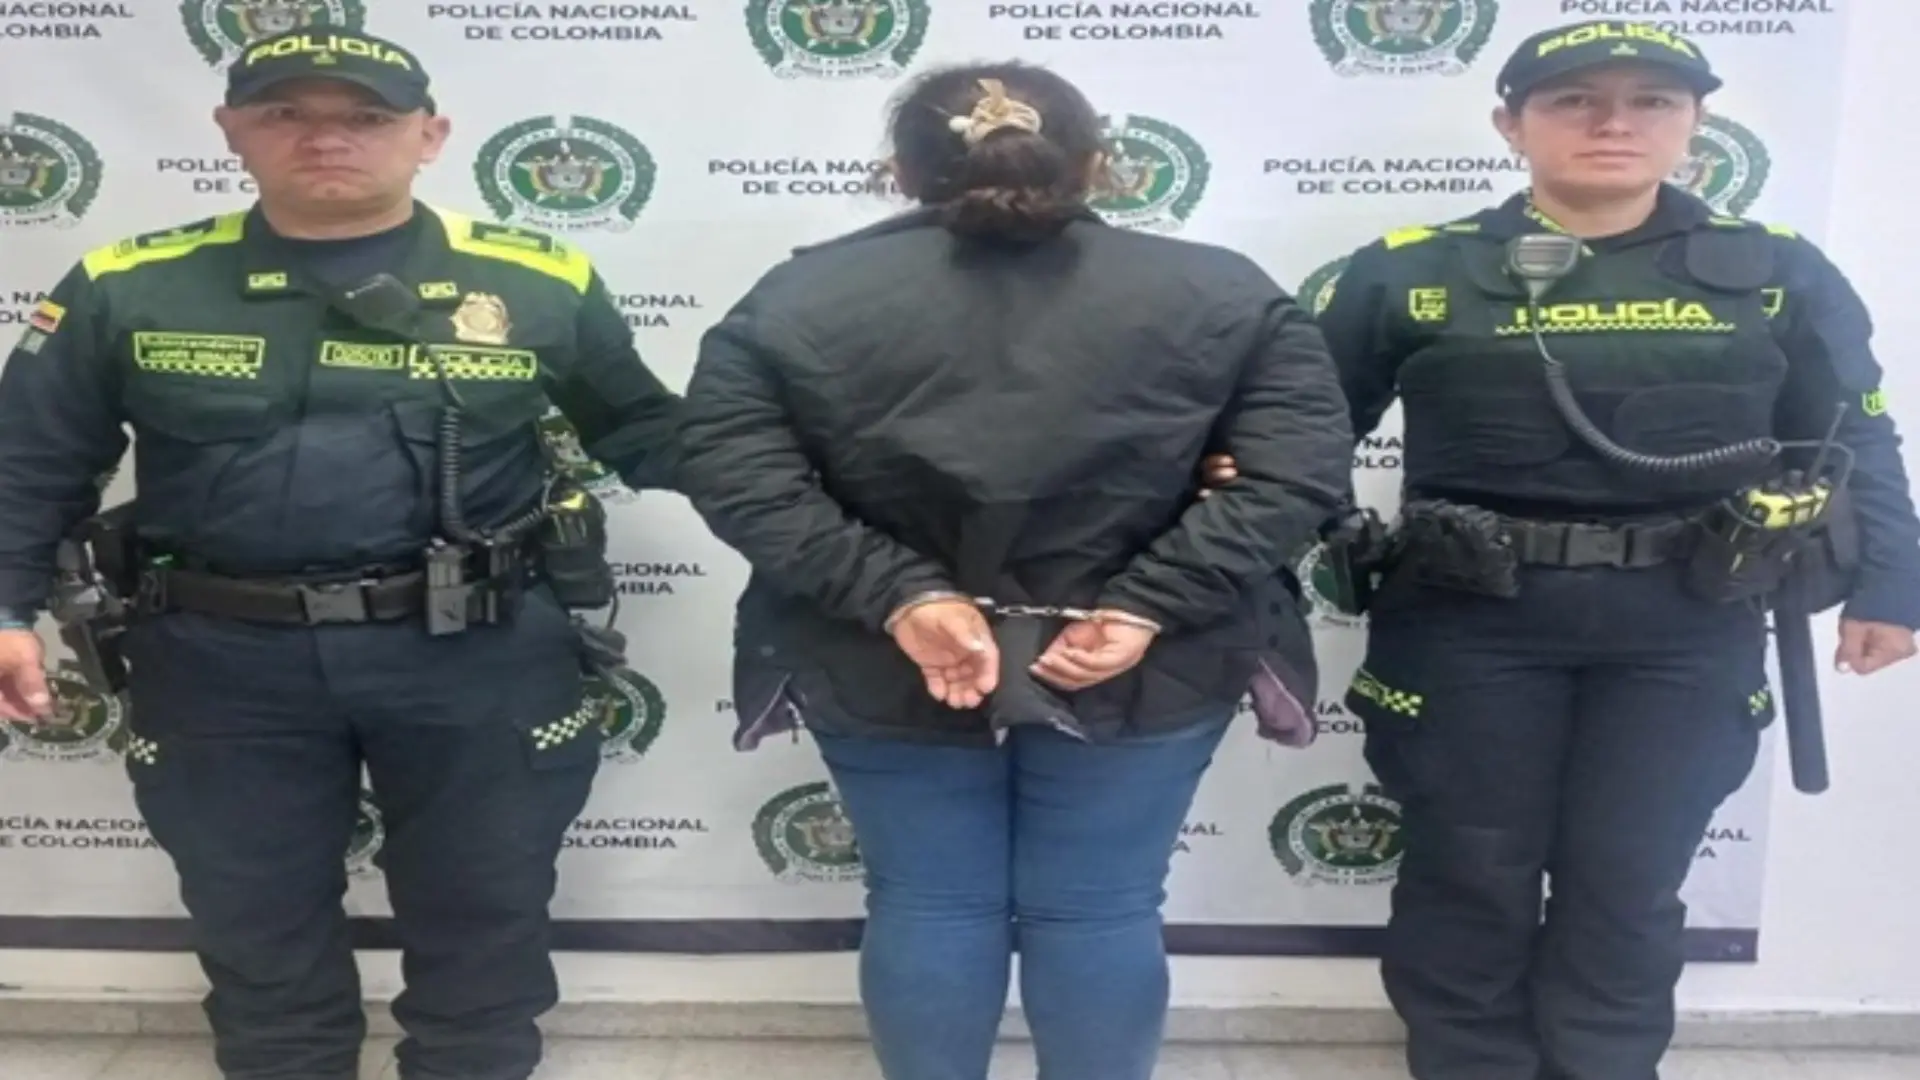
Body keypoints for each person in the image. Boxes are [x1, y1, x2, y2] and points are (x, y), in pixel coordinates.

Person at [1202, 18, 1920, 1080]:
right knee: (1467, 876)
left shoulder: (1780, 272)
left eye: (1651, 101)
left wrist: (1893, 584)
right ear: (1512, 124)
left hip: (1690, 623)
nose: (1614, 124)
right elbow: (1300, 442)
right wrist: (1250, 564)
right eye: (1575, 100)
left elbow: (1856, 437)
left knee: (1630, 880)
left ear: (1695, 123)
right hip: (1466, 623)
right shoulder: (1409, 270)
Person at [0, 27, 680, 1080]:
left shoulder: (536, 278)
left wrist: (813, 458)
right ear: (231, 130)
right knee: (255, 930)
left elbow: (646, 429)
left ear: (429, 136)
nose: (326, 139)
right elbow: (30, 460)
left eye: (365, 117)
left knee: (485, 922)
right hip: (222, 661)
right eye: (286, 114)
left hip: (475, 653)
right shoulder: (127, 284)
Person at [674, 63, 1352, 1080]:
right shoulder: (1224, 291)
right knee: (1100, 907)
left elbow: (739, 479)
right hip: (1146, 655)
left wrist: (898, 596)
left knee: (929, 902)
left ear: (900, 170)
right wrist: (1146, 606)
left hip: (884, 651)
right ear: (1098, 164)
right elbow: (1295, 476)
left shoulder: (794, 297)